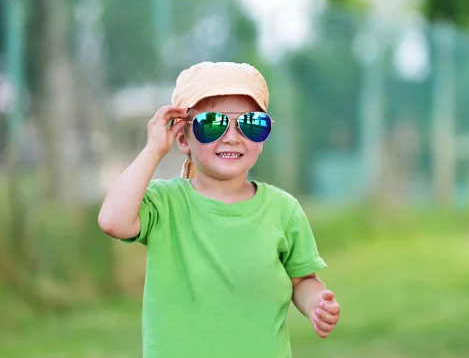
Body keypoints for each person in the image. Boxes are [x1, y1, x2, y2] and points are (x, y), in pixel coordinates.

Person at [97, 61, 340, 357]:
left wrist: (316, 303)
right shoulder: (166, 203)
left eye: (250, 123)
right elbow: (113, 221)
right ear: (183, 138)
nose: (233, 136)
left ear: (262, 138)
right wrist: (154, 150)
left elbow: (302, 280)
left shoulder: (283, 210)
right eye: (212, 123)